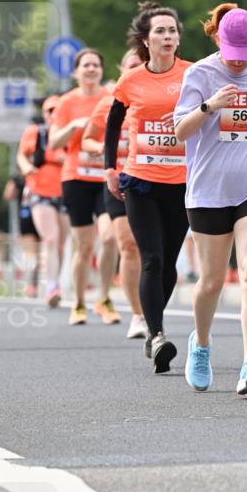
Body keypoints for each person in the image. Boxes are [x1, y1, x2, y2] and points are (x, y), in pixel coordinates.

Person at [173, 3, 247, 395]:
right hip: (208, 189)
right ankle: (200, 345)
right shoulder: (199, 73)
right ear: (218, 39)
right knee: (212, 282)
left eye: (245, 56)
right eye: (233, 57)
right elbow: (181, 132)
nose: (239, 65)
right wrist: (209, 106)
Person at [105, 2, 192, 372]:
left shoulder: (193, 73)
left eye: (172, 31)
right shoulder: (132, 80)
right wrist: (110, 168)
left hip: (184, 182)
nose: (168, 37)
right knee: (151, 258)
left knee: (169, 264)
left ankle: (153, 325)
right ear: (146, 39)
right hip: (141, 181)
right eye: (160, 31)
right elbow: (113, 124)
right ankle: (156, 335)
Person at [49, 48, 121, 326]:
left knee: (110, 237)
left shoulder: (111, 97)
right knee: (84, 244)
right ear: (76, 72)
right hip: (76, 178)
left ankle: (103, 298)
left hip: (105, 177)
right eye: (85, 65)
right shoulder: (66, 102)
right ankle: (78, 303)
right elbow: (54, 143)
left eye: (95, 65)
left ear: (101, 70)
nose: (91, 69)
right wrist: (75, 126)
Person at [82, 49, 148, 340]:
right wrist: (107, 150)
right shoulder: (109, 103)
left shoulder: (156, 100)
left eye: (140, 66)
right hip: (118, 181)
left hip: (154, 179)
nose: (135, 70)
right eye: (130, 66)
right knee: (128, 245)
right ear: (122, 70)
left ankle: (152, 306)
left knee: (156, 252)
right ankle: (138, 315)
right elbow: (87, 139)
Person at [17, 95, 69, 307]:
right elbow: (21, 155)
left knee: (61, 244)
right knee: (49, 239)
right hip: (40, 191)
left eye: (57, 110)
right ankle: (51, 286)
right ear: (44, 113)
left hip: (65, 191)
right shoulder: (35, 132)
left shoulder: (69, 133)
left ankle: (53, 280)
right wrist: (26, 168)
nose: (53, 114)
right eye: (49, 110)